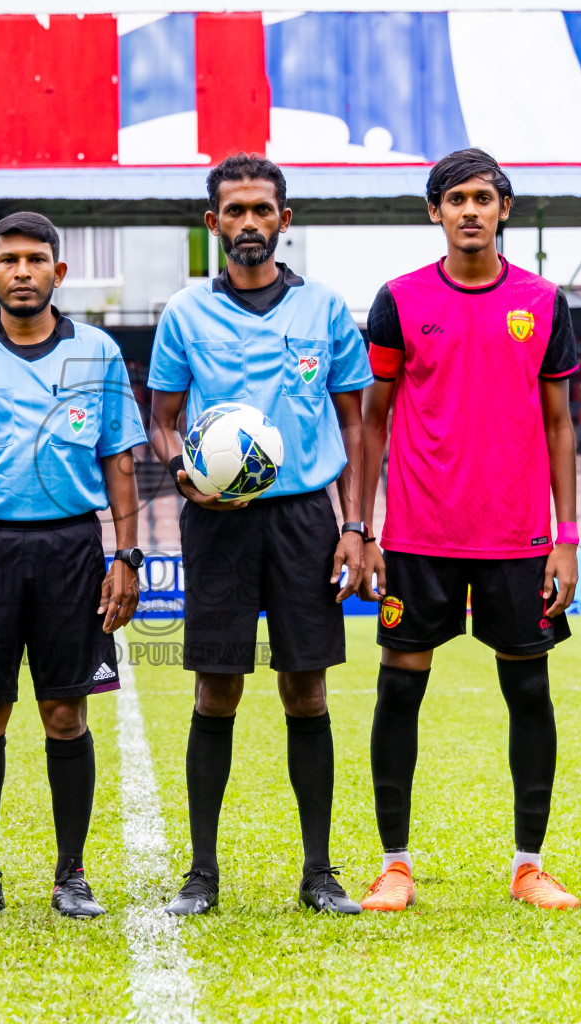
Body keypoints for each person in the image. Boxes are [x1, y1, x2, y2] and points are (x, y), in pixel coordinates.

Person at [359, 149, 581, 912]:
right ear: (435, 212)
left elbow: (560, 423)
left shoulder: (544, 303)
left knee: (529, 693)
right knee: (399, 691)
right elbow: (373, 417)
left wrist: (568, 535)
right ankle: (394, 865)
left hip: (518, 538)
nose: (470, 210)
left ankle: (529, 866)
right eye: (456, 199)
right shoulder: (397, 299)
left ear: (505, 208)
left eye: (484, 197)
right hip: (419, 537)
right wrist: (364, 527)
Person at [147, 154, 370, 916]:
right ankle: (201, 874)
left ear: (284, 220)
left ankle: (319, 873)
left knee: (306, 690)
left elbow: (354, 421)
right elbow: (164, 418)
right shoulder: (185, 313)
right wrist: (185, 475)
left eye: (261, 210)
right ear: (213, 224)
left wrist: (356, 526)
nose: (248, 223)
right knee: (218, 689)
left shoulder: (327, 311)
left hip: (307, 516)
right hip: (218, 521)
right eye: (234, 211)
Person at [0, 211, 147, 920]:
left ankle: (70, 872)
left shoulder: (98, 353)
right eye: (8, 259)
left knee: (64, 713)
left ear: (57, 272)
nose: (21, 271)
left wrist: (126, 556)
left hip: (72, 548)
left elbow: (119, 463)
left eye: (35, 259)